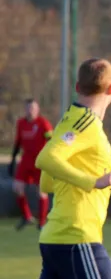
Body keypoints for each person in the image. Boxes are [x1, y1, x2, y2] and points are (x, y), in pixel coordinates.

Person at [0, 58, 111, 279]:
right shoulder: (84, 122)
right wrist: (93, 179)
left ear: (77, 87)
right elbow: (47, 159)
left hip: (58, 238)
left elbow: (46, 182)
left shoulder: (70, 120)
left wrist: (104, 172)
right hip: (77, 238)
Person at [8, 99, 53, 230]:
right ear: (25, 109)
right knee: (17, 188)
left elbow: (51, 140)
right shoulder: (21, 123)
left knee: (41, 192)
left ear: (37, 110)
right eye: (28, 108)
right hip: (25, 160)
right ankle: (27, 217)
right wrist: (12, 160)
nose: (30, 110)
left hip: (39, 162)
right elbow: (18, 143)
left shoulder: (43, 123)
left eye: (33, 108)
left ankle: (42, 222)